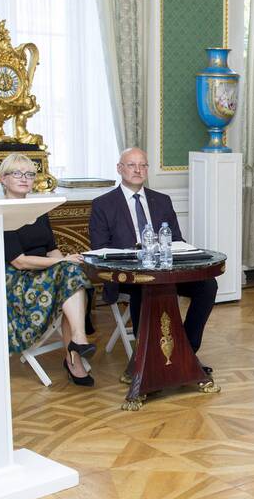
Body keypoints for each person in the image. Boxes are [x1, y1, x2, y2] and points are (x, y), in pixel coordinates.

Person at [89, 148, 217, 361]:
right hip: (128, 276)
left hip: (165, 271)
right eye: (131, 165)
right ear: (120, 169)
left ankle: (185, 351)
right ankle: (146, 363)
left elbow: (176, 240)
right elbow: (100, 249)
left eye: (143, 165)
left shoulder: (162, 200)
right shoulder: (103, 204)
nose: (138, 170)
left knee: (208, 285)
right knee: (144, 287)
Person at [0, 154, 95, 386]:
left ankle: (76, 346)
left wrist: (66, 263)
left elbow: (51, 250)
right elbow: (19, 262)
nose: (25, 178)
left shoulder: (39, 209)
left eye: (30, 174)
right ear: (3, 178)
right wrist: (62, 264)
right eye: (17, 173)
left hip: (45, 272)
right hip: (19, 279)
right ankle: (75, 351)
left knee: (72, 276)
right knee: (68, 275)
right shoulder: (1, 211)